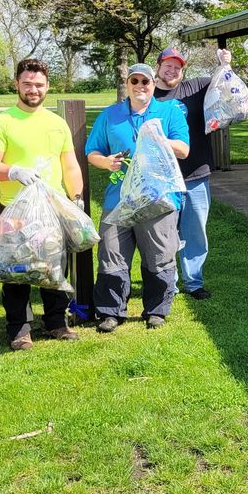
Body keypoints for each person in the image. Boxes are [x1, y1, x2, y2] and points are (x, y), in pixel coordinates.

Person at [0, 58, 84, 351]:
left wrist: (76, 198)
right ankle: (19, 329)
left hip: (52, 208)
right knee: (16, 270)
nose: (33, 89)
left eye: (38, 84)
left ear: (47, 86)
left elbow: (70, 165)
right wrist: (13, 171)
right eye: (27, 83)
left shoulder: (57, 123)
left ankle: (55, 322)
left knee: (53, 268)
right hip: (15, 209)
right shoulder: (2, 122)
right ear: (17, 84)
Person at [86, 63, 190, 331]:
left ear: (153, 84)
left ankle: (156, 310)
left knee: (159, 255)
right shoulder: (110, 115)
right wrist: (106, 162)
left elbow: (183, 149)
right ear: (127, 85)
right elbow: (92, 152)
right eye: (135, 81)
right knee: (111, 254)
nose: (140, 86)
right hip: (117, 200)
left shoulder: (169, 112)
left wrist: (158, 139)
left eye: (145, 81)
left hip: (160, 199)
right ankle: (111, 312)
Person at [152, 46, 229, 301]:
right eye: (167, 65)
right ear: (158, 67)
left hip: (196, 174)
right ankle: (168, 284)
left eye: (177, 67)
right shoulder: (148, 95)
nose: (172, 70)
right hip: (161, 178)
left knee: (195, 231)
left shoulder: (195, 88)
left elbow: (224, 82)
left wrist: (224, 64)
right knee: (165, 232)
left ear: (183, 71)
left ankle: (194, 283)